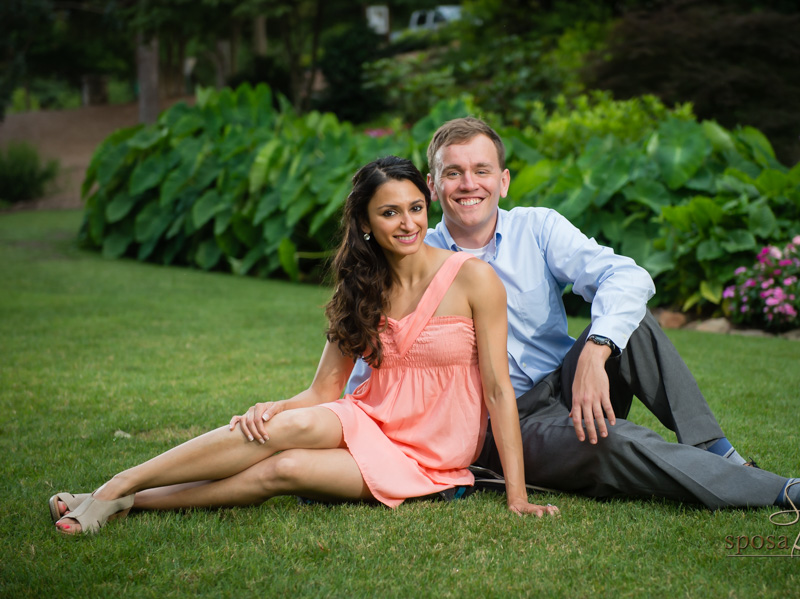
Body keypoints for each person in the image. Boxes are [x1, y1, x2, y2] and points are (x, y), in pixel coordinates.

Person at [346, 118, 800, 525]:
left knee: (630, 319)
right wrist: (344, 428)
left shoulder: (538, 227)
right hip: (503, 422)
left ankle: (721, 454)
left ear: (503, 180)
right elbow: (381, 355)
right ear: (433, 186)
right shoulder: (416, 253)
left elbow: (627, 276)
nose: (468, 184)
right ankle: (789, 492)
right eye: (452, 173)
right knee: (609, 442)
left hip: (571, 381)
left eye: (481, 170)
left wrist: (597, 347)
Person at [50, 156, 559, 534]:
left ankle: (129, 501)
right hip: (368, 418)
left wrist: (516, 495)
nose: (408, 224)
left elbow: (496, 390)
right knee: (283, 425)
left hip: (433, 453)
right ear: (365, 223)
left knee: (286, 468)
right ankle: (115, 486)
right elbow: (324, 390)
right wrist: (272, 409)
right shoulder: (361, 283)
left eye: (416, 208)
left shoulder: (474, 279)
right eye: (389, 213)